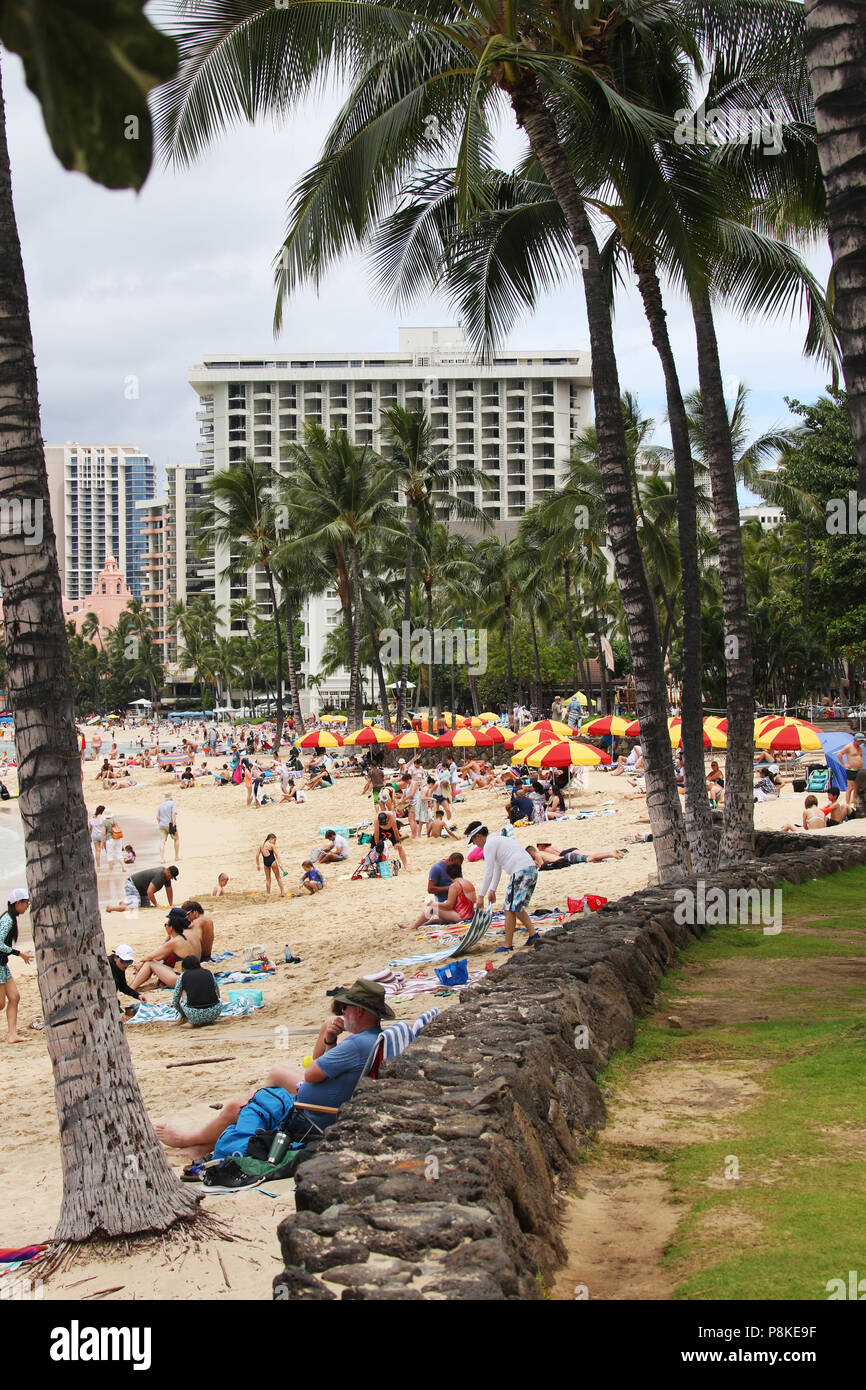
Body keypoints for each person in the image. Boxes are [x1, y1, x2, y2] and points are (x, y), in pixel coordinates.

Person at [155, 979, 393, 1155]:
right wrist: (330, 1040)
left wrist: (330, 1041)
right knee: (253, 1098)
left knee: (235, 1108)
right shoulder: (376, 1038)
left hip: (309, 1117)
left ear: (359, 1011)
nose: (343, 1012)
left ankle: (188, 1140)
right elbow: (323, 1071)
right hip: (323, 1109)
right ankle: (201, 1147)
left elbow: (311, 1073)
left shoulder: (355, 1044)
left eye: (347, 1008)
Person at [465, 821, 540, 953]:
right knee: (516, 907)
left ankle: (508, 945)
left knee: (509, 909)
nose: (475, 845)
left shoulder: (489, 844)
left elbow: (489, 871)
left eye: (473, 842)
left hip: (520, 871)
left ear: (478, 836)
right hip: (530, 870)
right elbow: (497, 868)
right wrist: (492, 890)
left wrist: (481, 896)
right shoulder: (496, 840)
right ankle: (533, 935)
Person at [130, 908, 202, 992]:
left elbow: (152, 956)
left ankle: (131, 988)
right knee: (152, 962)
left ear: (171, 927)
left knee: (149, 963)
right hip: (192, 976)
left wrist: (140, 962)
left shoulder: (175, 942)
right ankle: (132, 986)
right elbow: (160, 956)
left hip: (180, 978)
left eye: (166, 925)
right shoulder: (187, 936)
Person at [397, 861, 476, 931]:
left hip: (461, 916)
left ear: (448, 874)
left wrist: (434, 904)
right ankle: (416, 925)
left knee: (431, 908)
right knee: (435, 919)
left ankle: (412, 927)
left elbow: (449, 905)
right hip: (469, 914)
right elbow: (473, 900)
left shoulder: (455, 886)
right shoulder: (468, 883)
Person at [0, 890, 31, 1044]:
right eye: (26, 903)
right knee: (0, 1003)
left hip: (2, 965)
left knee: (14, 997)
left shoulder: (11, 918)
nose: (27, 906)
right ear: (18, 903)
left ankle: (12, 1035)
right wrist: (19, 953)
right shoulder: (7, 920)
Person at [172, 956, 221, 1029]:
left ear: (183, 968)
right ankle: (207, 1021)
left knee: (183, 990)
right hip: (214, 1012)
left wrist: (183, 1014)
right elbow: (217, 993)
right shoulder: (209, 972)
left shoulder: (183, 976)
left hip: (193, 1014)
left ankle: (191, 1022)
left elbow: (175, 1001)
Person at [107, 864, 179, 912]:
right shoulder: (160, 875)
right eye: (171, 877)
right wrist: (156, 904)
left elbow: (169, 889)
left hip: (142, 890)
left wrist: (171, 904)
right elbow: (150, 892)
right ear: (168, 872)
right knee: (133, 908)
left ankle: (124, 903)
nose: (171, 878)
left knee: (145, 907)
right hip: (132, 885)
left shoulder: (167, 877)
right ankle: (111, 908)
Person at [526, 842, 625, 869]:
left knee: (590, 858)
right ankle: (609, 853)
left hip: (567, 857)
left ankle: (610, 853)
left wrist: (536, 865)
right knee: (591, 856)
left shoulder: (539, 853)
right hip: (568, 854)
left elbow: (542, 866)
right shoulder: (548, 849)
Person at [838, 732, 865, 807]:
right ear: (856, 740)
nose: (861, 742)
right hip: (851, 769)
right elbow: (839, 754)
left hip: (859, 769)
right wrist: (844, 764)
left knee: (857, 787)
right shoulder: (849, 746)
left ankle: (855, 802)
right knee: (850, 787)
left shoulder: (860, 747)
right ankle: (847, 803)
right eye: (860, 740)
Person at [157, 795, 180, 862]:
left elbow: (157, 817)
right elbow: (173, 814)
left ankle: (162, 859)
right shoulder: (173, 804)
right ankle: (176, 857)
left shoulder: (160, 805)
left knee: (162, 841)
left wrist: (160, 824)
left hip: (162, 825)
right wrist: (174, 823)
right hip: (170, 824)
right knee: (176, 839)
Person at [89, 804, 106, 869]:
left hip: (94, 835)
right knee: (107, 849)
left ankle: (98, 865)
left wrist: (90, 836)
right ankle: (110, 862)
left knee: (97, 851)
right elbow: (105, 827)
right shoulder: (102, 817)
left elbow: (90, 828)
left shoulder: (91, 818)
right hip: (102, 835)